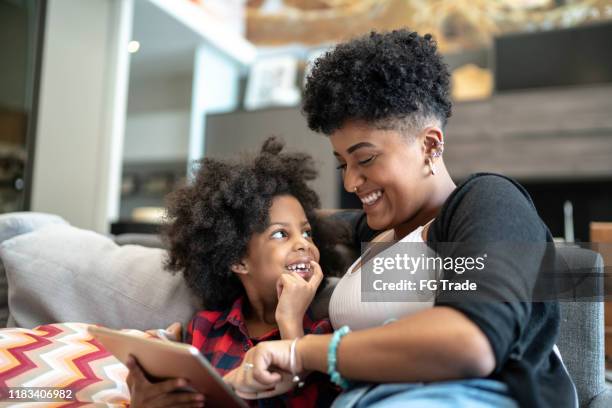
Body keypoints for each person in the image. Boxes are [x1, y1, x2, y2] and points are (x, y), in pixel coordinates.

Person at [224, 30, 577, 408]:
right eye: (343, 163)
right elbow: (276, 224)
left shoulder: (487, 201)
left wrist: (300, 352)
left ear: (430, 144)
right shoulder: (375, 231)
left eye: (366, 159)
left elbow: (471, 341)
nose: (350, 181)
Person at [126, 137, 344, 407]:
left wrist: (290, 321)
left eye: (307, 232)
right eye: (280, 234)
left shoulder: (325, 332)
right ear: (238, 260)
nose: (303, 243)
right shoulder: (202, 329)